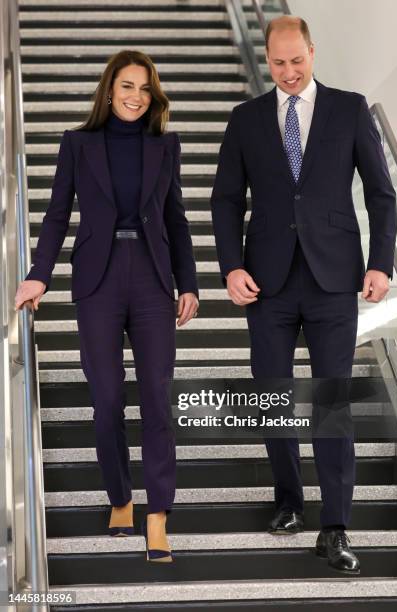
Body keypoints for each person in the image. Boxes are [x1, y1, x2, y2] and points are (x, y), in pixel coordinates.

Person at [210, 16, 397, 574]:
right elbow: (225, 200)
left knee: (331, 403)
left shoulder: (349, 108)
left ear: (312, 53)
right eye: (279, 62)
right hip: (266, 284)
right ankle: (289, 500)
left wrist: (380, 264)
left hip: (334, 280)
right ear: (266, 59)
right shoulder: (245, 120)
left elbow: (383, 195)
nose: (289, 73)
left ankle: (335, 525)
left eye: (298, 60)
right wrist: (230, 267)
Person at [15, 50, 199, 563]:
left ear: (153, 93)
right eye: (126, 86)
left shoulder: (166, 146)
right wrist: (37, 275)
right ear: (109, 89)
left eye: (144, 88)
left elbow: (176, 218)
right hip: (96, 280)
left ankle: (158, 512)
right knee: (108, 398)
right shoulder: (77, 144)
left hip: (152, 278)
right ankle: (120, 495)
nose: (135, 96)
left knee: (157, 398)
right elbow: (55, 216)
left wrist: (189, 282)